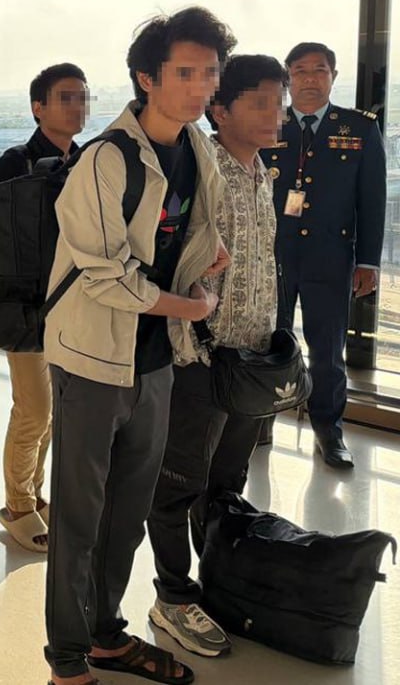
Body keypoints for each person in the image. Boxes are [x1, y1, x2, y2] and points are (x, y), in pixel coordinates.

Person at [42, 6, 234, 685]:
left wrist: (204, 261)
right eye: (184, 72)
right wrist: (190, 306)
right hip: (91, 358)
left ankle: (105, 635)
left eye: (209, 73)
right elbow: (104, 273)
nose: (200, 86)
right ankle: (67, 661)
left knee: (126, 514)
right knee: (78, 517)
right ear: (147, 78)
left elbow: (186, 236)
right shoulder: (106, 159)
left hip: (152, 358)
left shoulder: (197, 149)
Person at [145, 54, 284, 659]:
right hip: (201, 358)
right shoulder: (201, 171)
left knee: (227, 482)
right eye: (261, 102)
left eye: (279, 103)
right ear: (220, 110)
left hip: (251, 359)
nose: (275, 114)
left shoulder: (261, 173)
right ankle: (173, 597)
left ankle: (217, 582)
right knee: (178, 483)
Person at [258, 42, 386, 469]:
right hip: (273, 257)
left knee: (328, 351)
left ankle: (328, 429)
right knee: (267, 342)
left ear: (333, 76)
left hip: (331, 257)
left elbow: (372, 200)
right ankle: (260, 420)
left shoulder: (359, 128)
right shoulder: (267, 124)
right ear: (287, 78)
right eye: (300, 70)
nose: (310, 79)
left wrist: (368, 261)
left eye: (319, 70)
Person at [0, 63, 87, 553]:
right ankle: (18, 505)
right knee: (34, 409)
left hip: (73, 305)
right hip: (25, 308)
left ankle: (35, 492)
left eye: (82, 97)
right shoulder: (14, 165)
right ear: (37, 107)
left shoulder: (86, 161)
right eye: (65, 97)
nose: (77, 106)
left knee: (55, 412)